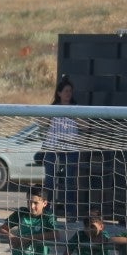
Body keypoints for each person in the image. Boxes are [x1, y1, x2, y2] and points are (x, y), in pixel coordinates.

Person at [41, 75, 81, 222]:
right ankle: (46, 211)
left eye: (70, 91)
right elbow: (42, 124)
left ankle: (70, 213)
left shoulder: (77, 109)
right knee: (50, 181)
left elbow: (86, 126)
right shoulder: (52, 109)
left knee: (69, 181)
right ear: (59, 93)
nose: (68, 93)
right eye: (65, 91)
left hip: (70, 149)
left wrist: (75, 116)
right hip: (53, 149)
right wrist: (50, 113)